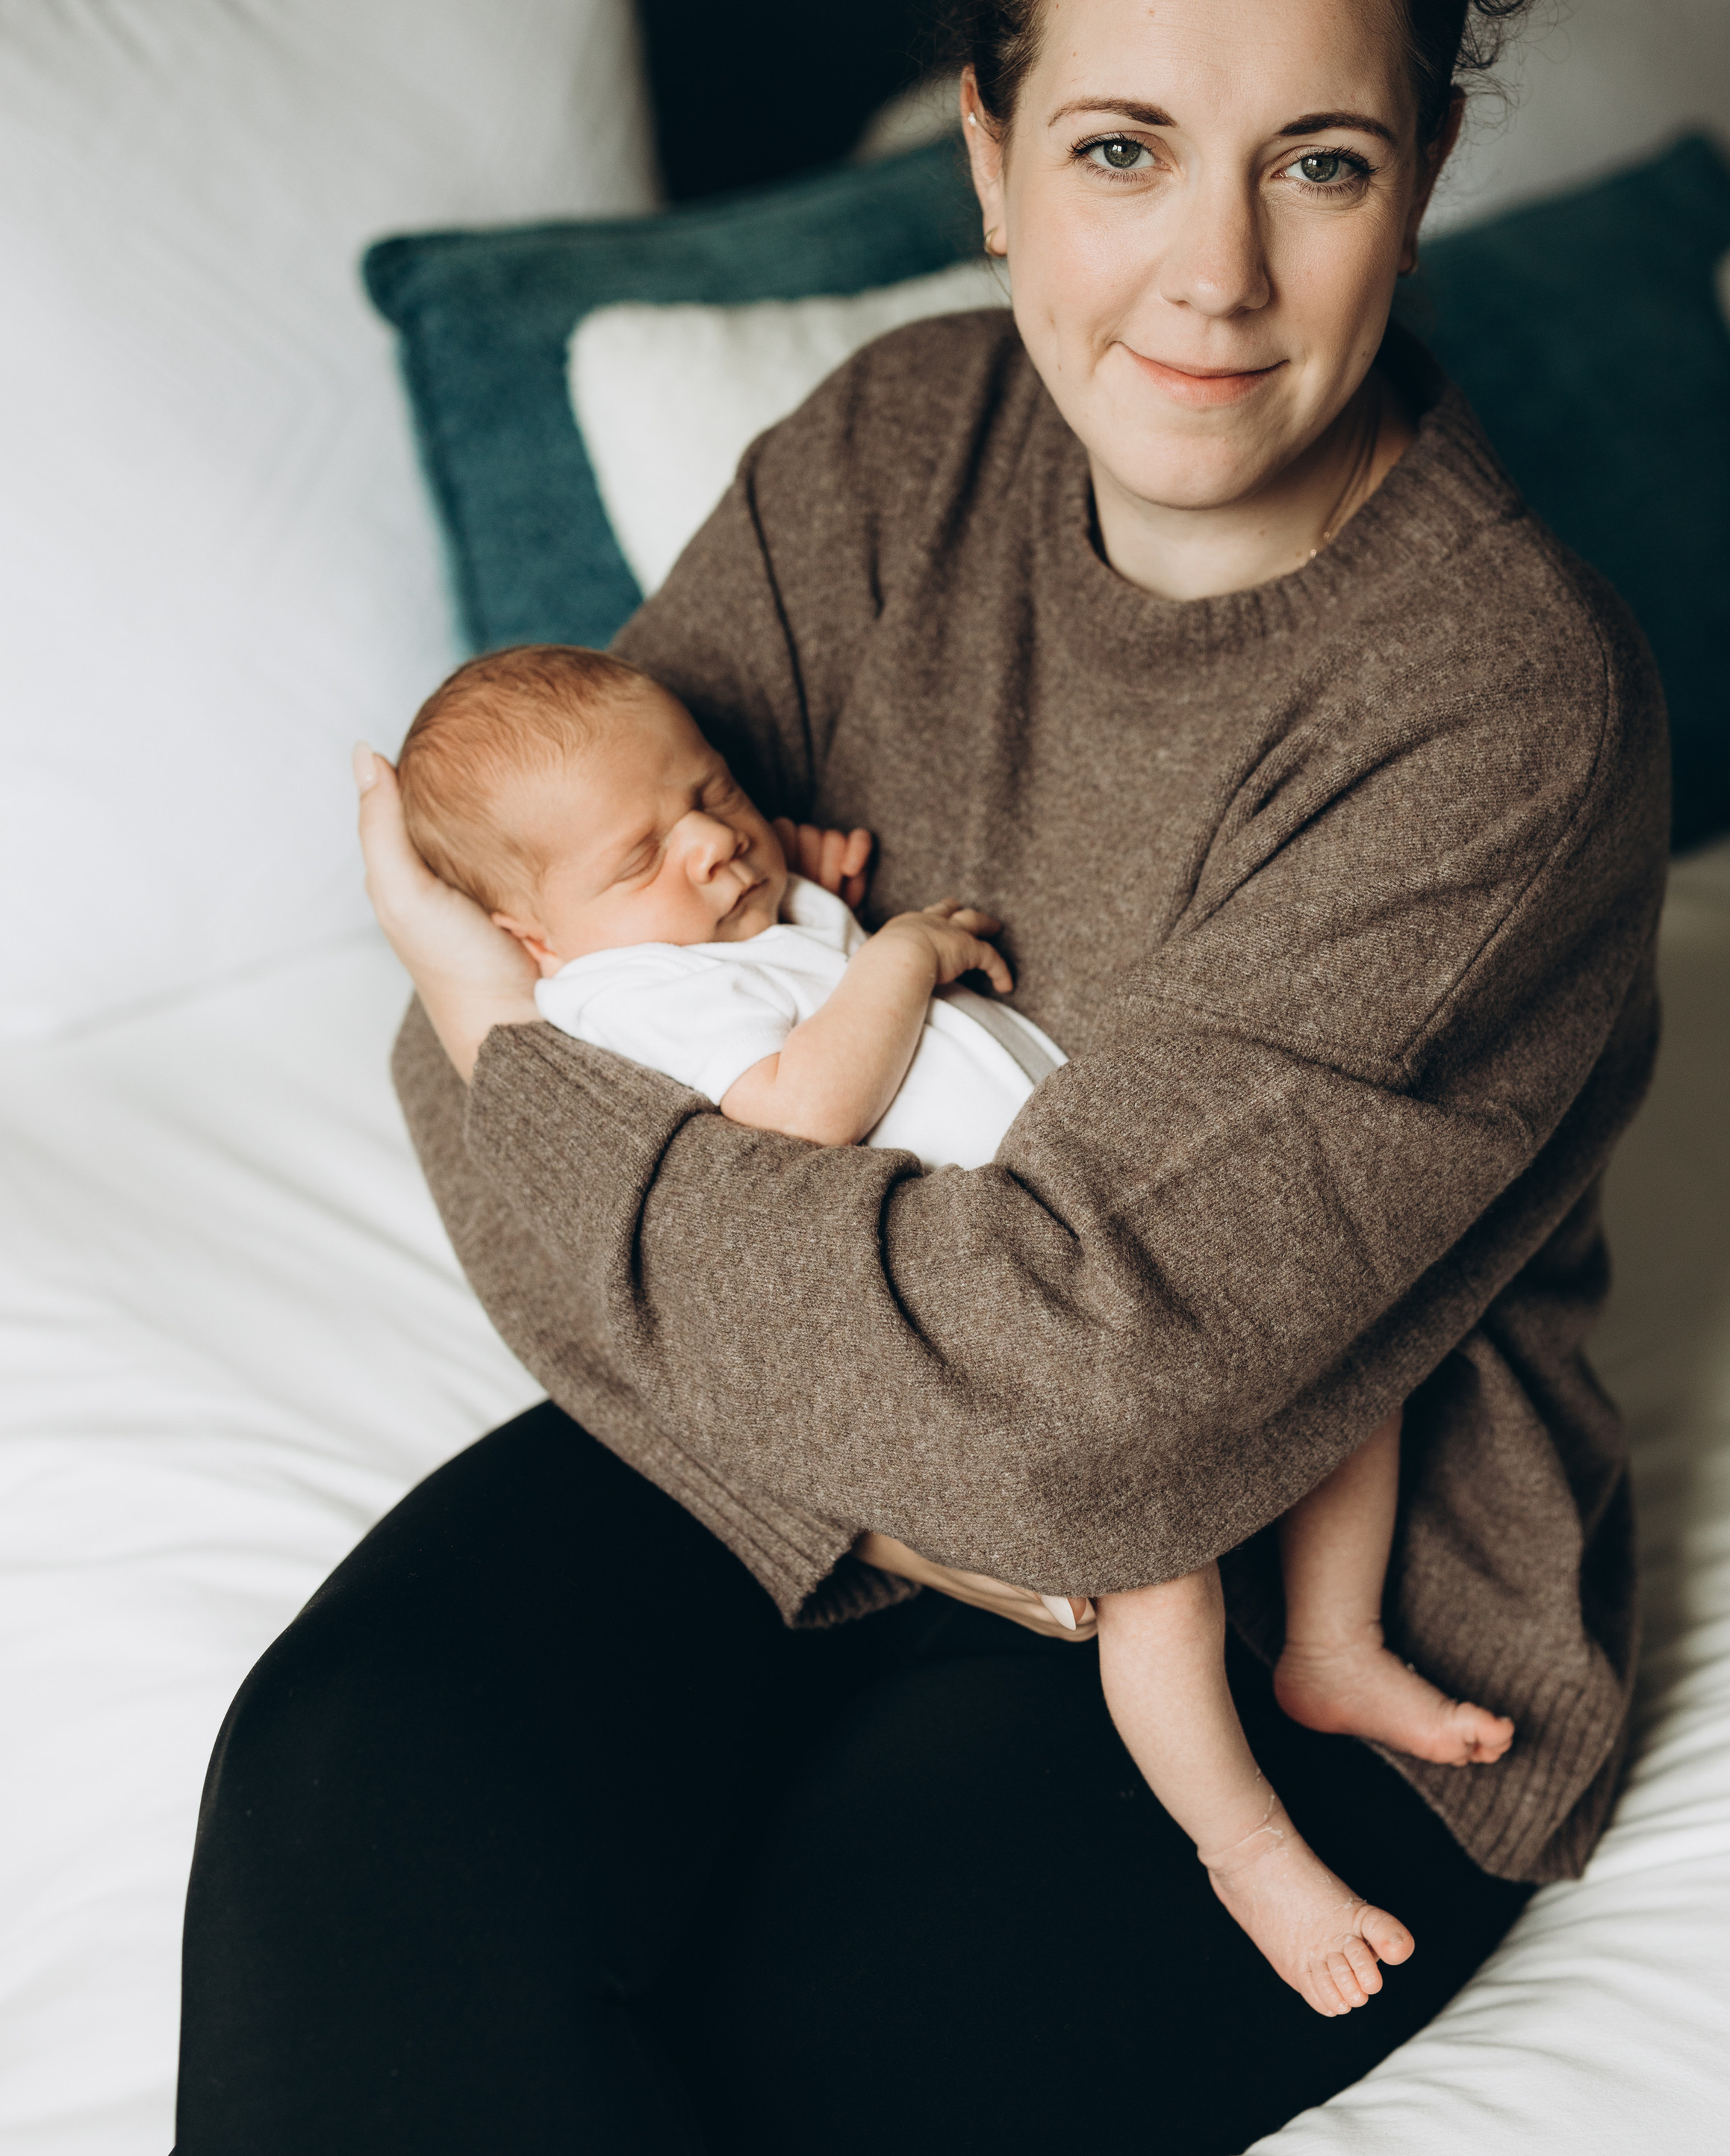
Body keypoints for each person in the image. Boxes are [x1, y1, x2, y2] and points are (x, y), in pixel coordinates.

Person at [108, 0, 1667, 2156]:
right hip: (810, 1460)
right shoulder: (879, 457)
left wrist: (551, 1115)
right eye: (1120, 146)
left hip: (1304, 1606)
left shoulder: (1498, 701)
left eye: (1318, 160)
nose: (1210, 276)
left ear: (1421, 171)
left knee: (665, 2123)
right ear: (984, 154)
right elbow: (504, 1025)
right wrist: (530, 1087)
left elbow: (1074, 1409)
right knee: (347, 1807)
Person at [384, 638, 1516, 2016]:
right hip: (962, 1342)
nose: (706, 842)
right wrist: (902, 952)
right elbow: (794, 1110)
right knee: (1158, 1577)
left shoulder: (712, 919)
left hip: (1086, 1258)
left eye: (712, 787)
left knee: (1351, 1367)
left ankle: (1333, 1650)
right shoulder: (618, 998)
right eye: (642, 855)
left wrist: (793, 887)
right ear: (532, 943)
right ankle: (1248, 1847)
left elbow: (747, 920)